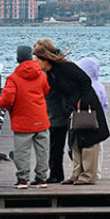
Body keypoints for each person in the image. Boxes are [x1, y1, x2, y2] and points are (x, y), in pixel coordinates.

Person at [32, 45, 110, 185]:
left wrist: (84, 102)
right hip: (72, 108)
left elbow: (85, 81)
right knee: (74, 141)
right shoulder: (50, 74)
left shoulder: (65, 67)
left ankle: (88, 176)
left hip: (87, 106)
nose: (35, 63)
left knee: (89, 140)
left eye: (36, 60)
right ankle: (76, 174)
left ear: (45, 60)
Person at [0, 45, 50, 189]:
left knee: (22, 151)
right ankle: (41, 178)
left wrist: (7, 107)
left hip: (22, 120)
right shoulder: (42, 75)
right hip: (40, 119)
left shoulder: (13, 78)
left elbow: (6, 100)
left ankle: (23, 179)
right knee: (43, 150)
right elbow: (46, 90)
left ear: (17, 58)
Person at [34, 38, 68, 183]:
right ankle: (54, 173)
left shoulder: (53, 70)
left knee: (55, 145)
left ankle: (55, 174)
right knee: (53, 144)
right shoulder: (54, 68)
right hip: (51, 111)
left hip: (56, 112)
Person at [77, 57, 108, 180]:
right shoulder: (100, 86)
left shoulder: (82, 86)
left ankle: (84, 170)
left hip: (84, 120)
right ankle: (97, 171)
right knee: (98, 149)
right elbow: (105, 104)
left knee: (82, 148)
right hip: (98, 121)